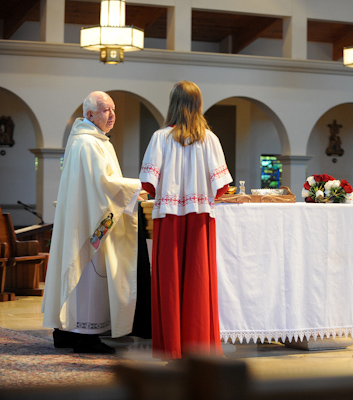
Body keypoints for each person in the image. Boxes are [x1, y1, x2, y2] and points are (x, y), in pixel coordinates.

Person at [41, 91, 141, 354]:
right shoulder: (88, 143)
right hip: (89, 224)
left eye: (114, 110)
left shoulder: (95, 141)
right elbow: (102, 185)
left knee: (80, 273)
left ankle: (65, 332)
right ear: (90, 114)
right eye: (106, 110)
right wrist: (138, 186)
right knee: (87, 276)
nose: (112, 115)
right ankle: (84, 336)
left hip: (90, 218)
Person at [140, 81, 233, 361]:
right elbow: (222, 188)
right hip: (200, 218)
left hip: (169, 218)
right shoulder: (210, 140)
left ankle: (172, 349)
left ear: (173, 104)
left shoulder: (160, 138)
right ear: (198, 105)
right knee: (198, 280)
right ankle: (199, 349)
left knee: (169, 280)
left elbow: (148, 184)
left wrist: (171, 192)